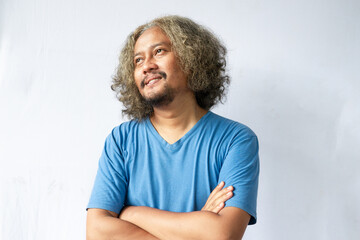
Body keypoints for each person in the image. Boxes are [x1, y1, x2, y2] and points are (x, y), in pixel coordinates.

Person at [86, 15, 259, 240]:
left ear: (191, 58)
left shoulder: (235, 140)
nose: (147, 65)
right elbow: (97, 232)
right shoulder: (121, 140)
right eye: (138, 60)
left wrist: (130, 213)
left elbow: (221, 234)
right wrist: (196, 226)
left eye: (159, 51)